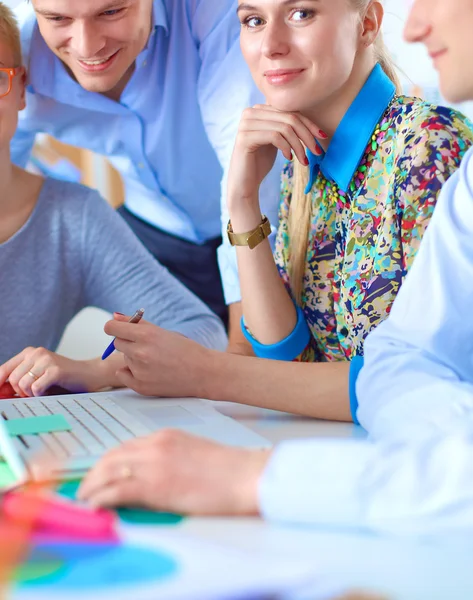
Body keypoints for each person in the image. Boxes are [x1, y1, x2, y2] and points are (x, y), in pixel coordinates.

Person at [79, 0, 473, 535]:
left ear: (369, 23)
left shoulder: (427, 147)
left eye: (303, 13)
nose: (270, 45)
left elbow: (410, 373)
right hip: (350, 463)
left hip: (410, 484)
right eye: (253, 20)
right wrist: (241, 199)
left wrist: (205, 372)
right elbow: (285, 348)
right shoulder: (299, 151)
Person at [11, 0, 284, 337]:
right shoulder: (17, 64)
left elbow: (246, 165)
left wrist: (243, 349)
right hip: (153, 235)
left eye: (111, 12)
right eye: (57, 18)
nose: (87, 46)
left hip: (261, 225)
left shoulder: (212, 11)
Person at [0, 2, 227, 399]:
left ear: (22, 88)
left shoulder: (71, 219)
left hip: (244, 229)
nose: (87, 44)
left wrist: (99, 370)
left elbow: (203, 332)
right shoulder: (30, 48)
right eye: (58, 19)